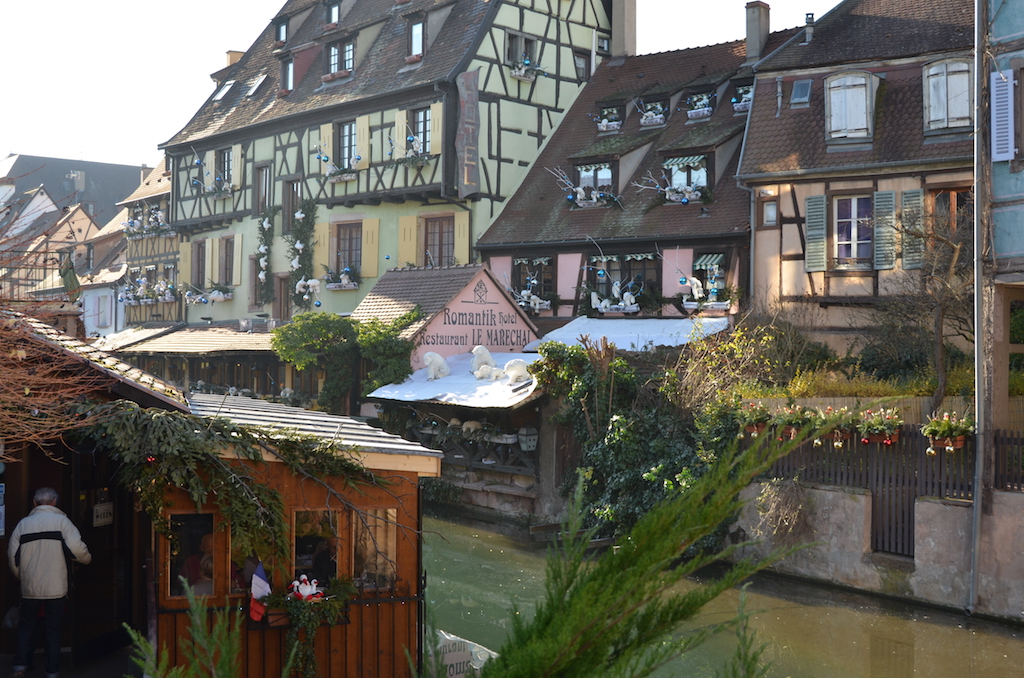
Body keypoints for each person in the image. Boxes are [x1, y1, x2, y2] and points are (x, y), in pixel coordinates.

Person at [7, 487, 92, 678]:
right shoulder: (62, 522)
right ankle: (52, 672)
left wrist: (22, 577)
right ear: (55, 503)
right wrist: (87, 560)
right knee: (53, 629)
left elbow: (13, 558)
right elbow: (78, 550)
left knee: (26, 626)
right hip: (56, 586)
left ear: (34, 503)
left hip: (30, 586)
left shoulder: (23, 524)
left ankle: (19, 666)